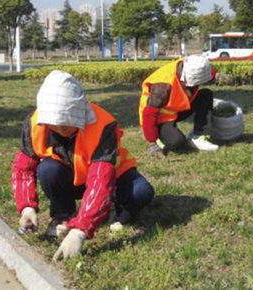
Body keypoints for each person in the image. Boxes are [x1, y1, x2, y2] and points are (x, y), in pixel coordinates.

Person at [11, 71, 156, 261]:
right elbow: (23, 169)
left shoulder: (103, 124)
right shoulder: (34, 123)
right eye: (55, 124)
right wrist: (27, 207)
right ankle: (63, 214)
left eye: (66, 123)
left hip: (114, 176)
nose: (61, 129)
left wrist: (81, 230)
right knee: (47, 169)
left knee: (142, 192)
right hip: (71, 178)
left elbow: (101, 180)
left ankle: (117, 211)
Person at [139, 56, 219, 159]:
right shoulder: (162, 87)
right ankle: (158, 136)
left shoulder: (189, 65)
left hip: (176, 108)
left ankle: (197, 136)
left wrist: (217, 75)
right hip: (160, 117)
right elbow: (149, 114)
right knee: (176, 143)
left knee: (205, 95)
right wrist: (152, 144)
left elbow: (204, 71)